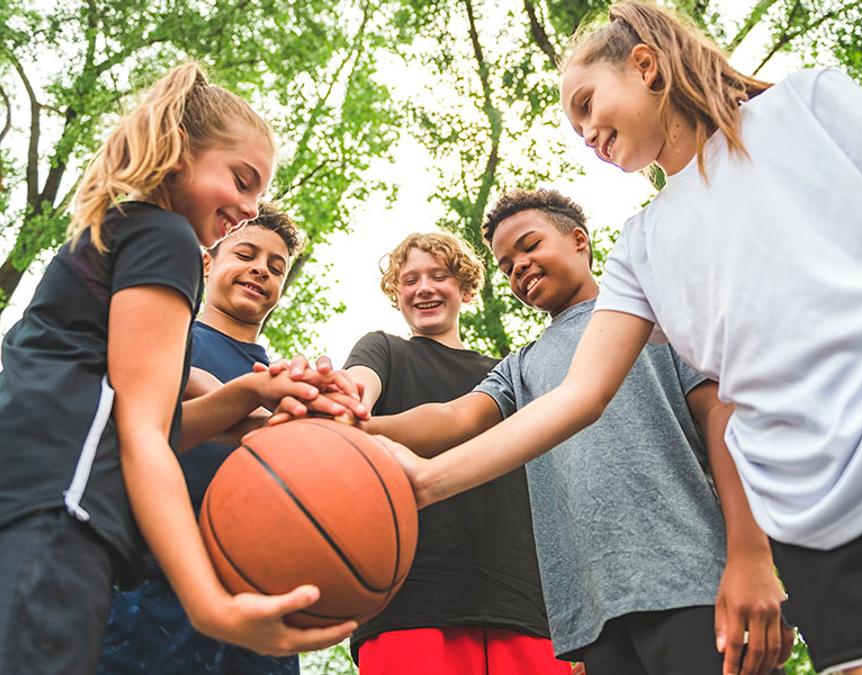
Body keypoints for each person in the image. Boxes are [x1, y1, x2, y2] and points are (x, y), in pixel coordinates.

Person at [378, 3, 862, 675]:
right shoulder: (642, 247)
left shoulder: (805, 105)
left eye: (587, 104)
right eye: (575, 127)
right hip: (815, 518)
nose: (586, 133)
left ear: (646, 66)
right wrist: (424, 481)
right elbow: (577, 397)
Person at [0, 63, 359, 675]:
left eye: (259, 195)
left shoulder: (121, 230)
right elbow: (141, 438)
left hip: (39, 496)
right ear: (180, 151)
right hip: (61, 509)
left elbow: (140, 423)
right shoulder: (165, 236)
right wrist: (210, 604)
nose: (249, 207)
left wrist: (250, 391)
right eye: (241, 180)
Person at [356, 192, 790, 675]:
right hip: (595, 626)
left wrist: (751, 555)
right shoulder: (520, 367)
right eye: (507, 266)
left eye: (530, 246)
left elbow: (723, 421)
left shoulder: (655, 319)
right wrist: (353, 427)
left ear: (579, 240)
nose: (519, 267)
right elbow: (454, 418)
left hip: (695, 586)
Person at [343, 232, 568, 675]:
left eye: (438, 276)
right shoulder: (383, 349)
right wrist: (341, 400)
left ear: (465, 289)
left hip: (521, 603)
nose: (423, 288)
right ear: (397, 296)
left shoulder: (507, 375)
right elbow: (356, 389)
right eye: (410, 280)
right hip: (408, 602)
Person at [99, 204, 306, 674]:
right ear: (207, 263)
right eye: (246, 255)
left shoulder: (284, 380)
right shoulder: (166, 336)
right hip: (150, 585)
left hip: (257, 596)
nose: (261, 269)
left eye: (276, 268)